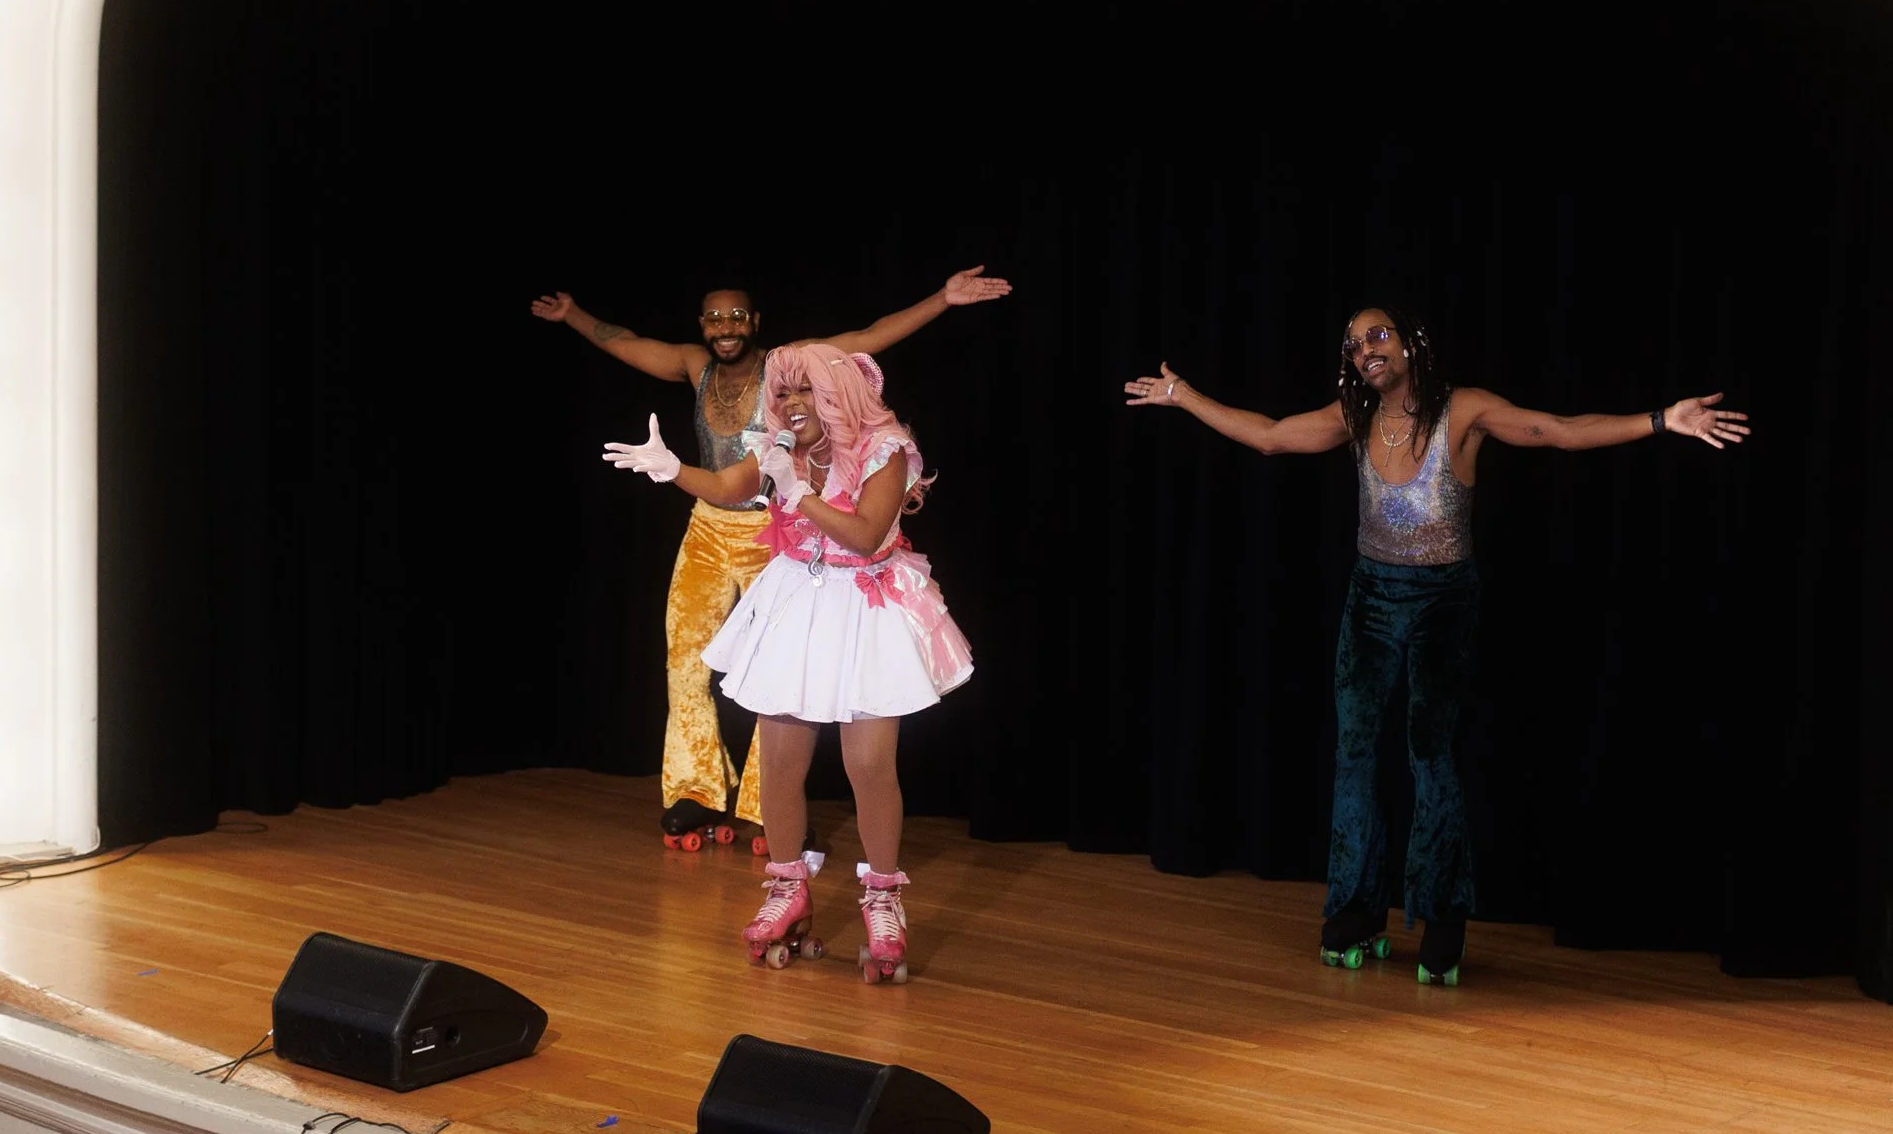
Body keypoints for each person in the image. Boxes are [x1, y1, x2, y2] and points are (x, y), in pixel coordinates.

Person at [1123, 304, 1750, 985]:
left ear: (1411, 343)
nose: (1367, 348)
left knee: (1429, 755)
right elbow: (1271, 436)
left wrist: (1662, 418)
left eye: (1379, 334)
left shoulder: (1466, 411)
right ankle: (1357, 912)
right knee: (1356, 754)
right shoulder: (1354, 415)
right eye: (1356, 343)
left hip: (1443, 603)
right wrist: (1181, 395)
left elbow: (1560, 431)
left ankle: (1441, 917)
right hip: (1370, 599)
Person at [532, 268, 1007, 852]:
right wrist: (672, 466)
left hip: (785, 538)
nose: (726, 327)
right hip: (726, 534)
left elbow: (870, 335)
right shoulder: (701, 372)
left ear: (755, 322)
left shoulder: (802, 374)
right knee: (691, 662)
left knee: (811, 712)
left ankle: (778, 818)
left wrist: (941, 297)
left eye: (737, 316)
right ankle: (697, 793)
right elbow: (630, 347)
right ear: (702, 324)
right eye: (715, 317)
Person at [603, 342, 971, 982]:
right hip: (797, 599)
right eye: (783, 394)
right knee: (779, 759)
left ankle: (883, 899)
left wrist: (798, 493)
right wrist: (673, 470)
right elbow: (724, 486)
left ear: (838, 395)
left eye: (805, 393)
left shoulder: (886, 452)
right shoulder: (778, 449)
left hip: (865, 606)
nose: (791, 405)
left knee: (867, 763)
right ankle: (788, 888)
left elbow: (862, 533)